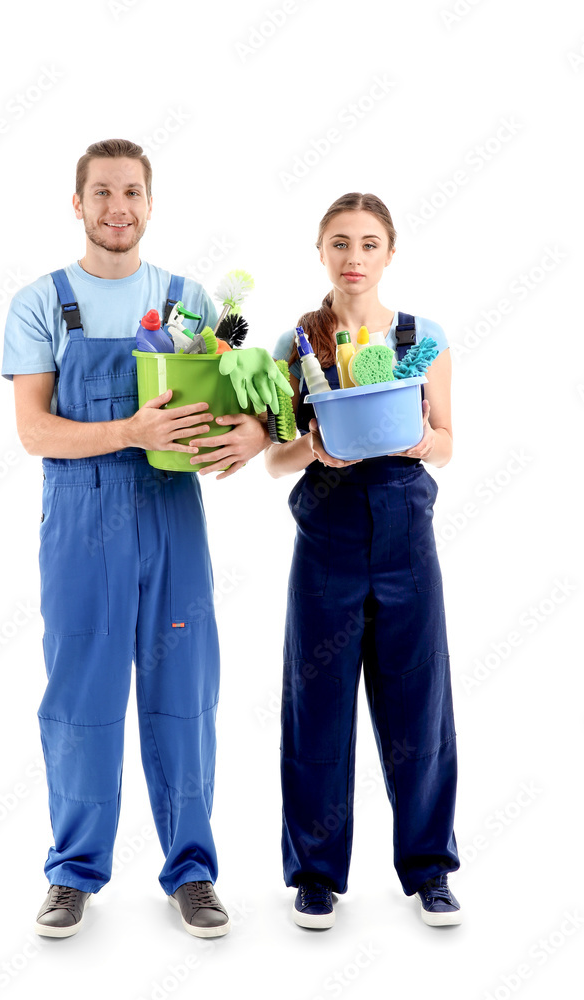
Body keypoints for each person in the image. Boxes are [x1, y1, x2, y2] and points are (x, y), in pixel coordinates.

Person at [1, 139, 268, 939]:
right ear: (76, 204)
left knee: (184, 692)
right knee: (80, 698)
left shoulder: (192, 301)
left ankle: (191, 870)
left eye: (133, 193)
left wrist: (252, 434)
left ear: (151, 205)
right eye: (102, 193)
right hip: (81, 518)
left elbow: (238, 403)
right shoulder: (42, 302)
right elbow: (34, 432)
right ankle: (73, 873)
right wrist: (127, 428)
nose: (118, 207)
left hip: (171, 509)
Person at [265, 192, 461, 929]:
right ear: (321, 252)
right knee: (314, 709)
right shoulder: (297, 346)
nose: (353, 258)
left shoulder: (422, 336)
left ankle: (429, 871)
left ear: (388, 253)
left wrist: (416, 440)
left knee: (419, 706)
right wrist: (313, 448)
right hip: (327, 533)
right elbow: (274, 461)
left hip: (405, 533)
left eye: (368, 244)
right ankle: (315, 876)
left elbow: (446, 439)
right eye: (340, 243)